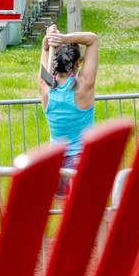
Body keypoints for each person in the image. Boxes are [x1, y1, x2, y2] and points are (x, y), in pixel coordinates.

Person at [39, 24, 99, 195]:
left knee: (63, 211)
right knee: (85, 209)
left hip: (56, 164)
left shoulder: (44, 87)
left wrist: (48, 40)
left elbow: (45, 48)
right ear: (78, 63)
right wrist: (63, 38)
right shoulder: (83, 87)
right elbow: (92, 39)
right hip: (80, 162)